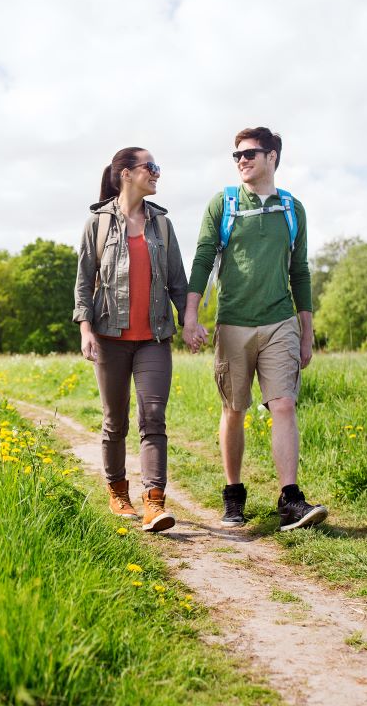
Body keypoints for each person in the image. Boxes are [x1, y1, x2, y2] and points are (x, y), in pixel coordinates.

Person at [182, 127, 327, 531]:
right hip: (233, 323)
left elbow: (300, 271)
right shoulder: (224, 203)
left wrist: (306, 330)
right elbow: (203, 258)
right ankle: (233, 496)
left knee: (283, 404)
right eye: (237, 155)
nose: (242, 160)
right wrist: (191, 316)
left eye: (250, 154)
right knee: (234, 409)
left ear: (273, 158)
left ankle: (291, 499)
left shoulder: (291, 209)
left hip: (280, 320)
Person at [73, 147, 189, 533]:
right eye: (151, 167)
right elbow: (84, 282)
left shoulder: (162, 225)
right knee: (114, 421)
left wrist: (189, 320)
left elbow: (177, 280)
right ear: (126, 174)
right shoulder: (98, 223)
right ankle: (117, 491)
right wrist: (85, 329)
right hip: (109, 337)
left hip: (154, 337)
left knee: (153, 418)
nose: (157, 173)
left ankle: (154, 503)